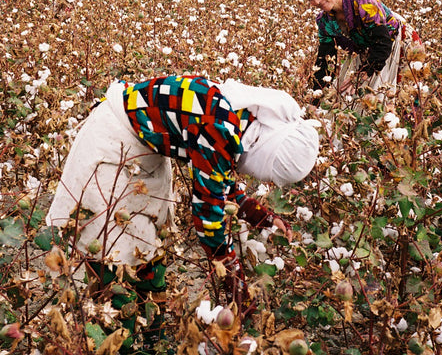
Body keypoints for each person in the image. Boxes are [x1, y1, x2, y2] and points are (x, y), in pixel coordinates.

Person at [45, 75, 318, 352]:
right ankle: (118, 340)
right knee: (115, 257)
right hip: (113, 144)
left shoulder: (239, 118)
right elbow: (207, 218)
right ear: (264, 151)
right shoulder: (220, 127)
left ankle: (154, 336)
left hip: (143, 148)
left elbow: (216, 177)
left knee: (150, 244)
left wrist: (259, 215)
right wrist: (235, 282)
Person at [300, 0, 422, 96]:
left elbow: (382, 41)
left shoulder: (363, 0)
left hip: (399, 44)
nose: (316, 1)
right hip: (370, 52)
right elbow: (324, 62)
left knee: (403, 96)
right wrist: (315, 98)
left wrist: (362, 74)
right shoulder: (324, 21)